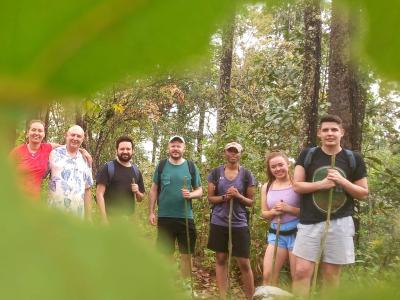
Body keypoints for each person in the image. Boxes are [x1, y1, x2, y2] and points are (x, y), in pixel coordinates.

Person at [292, 114, 368, 297]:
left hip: (340, 222)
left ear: (342, 132)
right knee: (302, 271)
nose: (330, 133)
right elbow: (297, 185)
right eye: (325, 130)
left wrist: (343, 181)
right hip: (309, 222)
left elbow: (363, 192)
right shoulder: (308, 155)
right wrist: (321, 184)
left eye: (334, 129)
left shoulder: (353, 158)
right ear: (319, 133)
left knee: (331, 277)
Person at [207, 142, 256, 300]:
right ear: (225, 153)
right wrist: (224, 197)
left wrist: (238, 196)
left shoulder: (247, 175)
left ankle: (250, 297)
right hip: (219, 221)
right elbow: (210, 198)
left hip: (239, 222)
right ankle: (223, 295)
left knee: (243, 261)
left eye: (236, 152)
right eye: (230, 151)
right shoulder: (216, 173)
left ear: (241, 154)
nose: (233, 154)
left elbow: (251, 201)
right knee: (221, 258)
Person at [149, 136, 203, 278]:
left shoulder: (191, 166)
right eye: (173, 145)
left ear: (184, 149)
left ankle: (185, 287)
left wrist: (190, 195)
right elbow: (154, 189)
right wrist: (151, 212)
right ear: (168, 148)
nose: (176, 148)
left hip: (185, 217)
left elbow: (200, 191)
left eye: (179, 146)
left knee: (187, 255)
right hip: (165, 217)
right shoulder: (161, 166)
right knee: (165, 255)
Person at [10, 120, 92, 199]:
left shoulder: (46, 148)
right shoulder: (17, 152)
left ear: (44, 134)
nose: (36, 133)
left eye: (40, 131)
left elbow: (66, 146)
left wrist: (82, 151)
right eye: (33, 130)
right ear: (28, 133)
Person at [261, 151, 300, 286]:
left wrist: (288, 209)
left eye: (280, 165)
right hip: (276, 234)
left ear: (287, 164)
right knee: (268, 275)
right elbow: (264, 213)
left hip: (297, 233)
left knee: (298, 277)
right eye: (273, 167)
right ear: (270, 169)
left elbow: (308, 212)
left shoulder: (297, 183)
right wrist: (273, 212)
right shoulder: (267, 186)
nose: (277, 169)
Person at [47, 125, 94, 220]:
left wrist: (89, 218)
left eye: (79, 136)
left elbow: (87, 189)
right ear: (66, 135)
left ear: (83, 139)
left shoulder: (86, 159)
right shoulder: (53, 154)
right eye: (73, 135)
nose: (75, 138)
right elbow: (39, 175)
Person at [96, 136, 145, 223]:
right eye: (122, 149)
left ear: (132, 151)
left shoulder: (136, 171)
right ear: (117, 150)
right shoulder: (108, 168)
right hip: (111, 220)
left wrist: (137, 192)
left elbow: (140, 199)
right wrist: (104, 219)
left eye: (128, 149)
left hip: (128, 221)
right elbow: (99, 194)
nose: (125, 151)